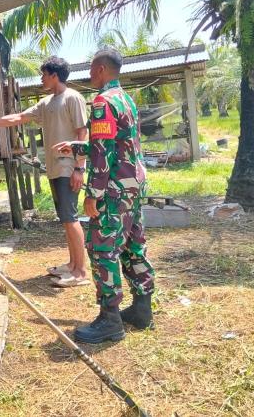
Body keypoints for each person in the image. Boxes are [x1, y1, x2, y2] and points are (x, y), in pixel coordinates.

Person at [54, 48, 155, 343]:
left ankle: (110, 319)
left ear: (100, 69)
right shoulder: (126, 100)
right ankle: (141, 307)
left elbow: (103, 153)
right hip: (133, 186)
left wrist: (93, 194)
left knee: (102, 249)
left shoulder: (102, 102)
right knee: (133, 245)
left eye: (91, 69)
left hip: (113, 189)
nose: (88, 75)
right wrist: (76, 146)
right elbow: (117, 144)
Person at [0, 57, 90, 287]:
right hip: (54, 167)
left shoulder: (73, 98)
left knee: (70, 218)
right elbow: (19, 117)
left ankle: (81, 272)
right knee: (65, 218)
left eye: (44, 74)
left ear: (55, 75)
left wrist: (79, 167)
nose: (41, 78)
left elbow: (82, 134)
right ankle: (72, 264)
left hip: (68, 166)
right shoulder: (48, 102)